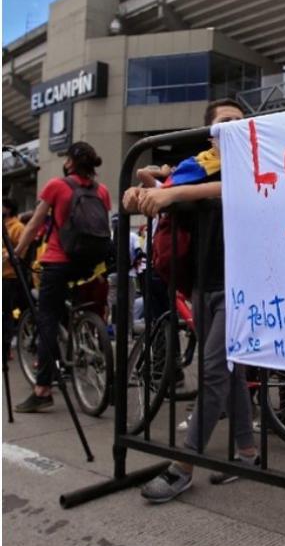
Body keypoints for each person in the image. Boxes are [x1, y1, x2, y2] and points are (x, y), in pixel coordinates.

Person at [126, 99, 257, 501]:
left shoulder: (253, 165)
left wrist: (172, 193)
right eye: (224, 121)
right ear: (211, 132)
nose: (233, 126)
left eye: (239, 120)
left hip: (240, 285)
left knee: (214, 371)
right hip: (200, 285)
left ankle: (184, 464)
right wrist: (144, 191)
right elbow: (164, 198)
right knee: (230, 373)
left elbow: (234, 188)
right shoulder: (195, 167)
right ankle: (248, 451)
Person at [13, 142, 112, 413]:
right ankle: (90, 347)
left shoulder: (56, 186)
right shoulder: (102, 191)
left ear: (70, 162)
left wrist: (18, 252)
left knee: (47, 320)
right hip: (90, 265)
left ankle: (42, 389)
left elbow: (35, 224)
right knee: (85, 311)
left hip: (59, 262)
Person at [3, 198, 29, 357]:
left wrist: (7, 255)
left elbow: (22, 250)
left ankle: (5, 348)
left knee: (7, 312)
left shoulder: (17, 227)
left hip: (10, 276)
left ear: (8, 209)